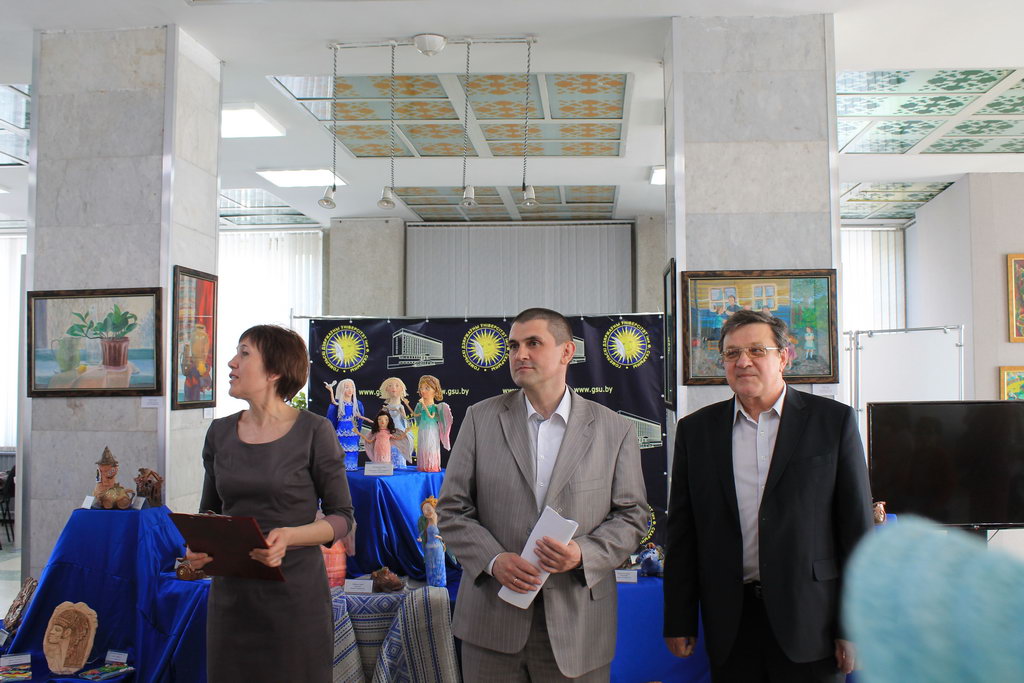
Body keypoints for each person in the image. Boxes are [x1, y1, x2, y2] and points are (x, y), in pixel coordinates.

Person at [438, 307, 648, 682]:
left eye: (533, 343)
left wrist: (583, 553)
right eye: (513, 345)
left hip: (578, 627)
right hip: (491, 623)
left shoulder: (614, 430)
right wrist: (493, 560)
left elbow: (633, 516)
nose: (520, 354)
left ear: (567, 351)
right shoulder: (479, 419)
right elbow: (452, 509)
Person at [663, 309, 872, 682]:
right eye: (732, 353)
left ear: (784, 357)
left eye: (757, 350)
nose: (743, 362)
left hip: (811, 620)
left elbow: (856, 531)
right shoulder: (696, 432)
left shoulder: (833, 422)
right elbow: (683, 531)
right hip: (731, 621)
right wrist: (679, 619)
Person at [186, 324, 354, 682]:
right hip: (230, 602)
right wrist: (198, 549)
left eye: (244, 353)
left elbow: (342, 518)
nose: (231, 362)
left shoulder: (314, 431)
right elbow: (209, 513)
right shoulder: (219, 433)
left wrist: (289, 537)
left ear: (275, 371)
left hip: (294, 601)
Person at [409, 374, 452, 472]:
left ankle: (432, 466)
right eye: (421, 388)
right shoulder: (419, 405)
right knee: (422, 445)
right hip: (422, 429)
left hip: (431, 429)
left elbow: (431, 416)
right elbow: (416, 416)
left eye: (427, 388)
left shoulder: (437, 407)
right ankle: (422, 465)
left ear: (435, 390)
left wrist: (424, 405)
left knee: (430, 445)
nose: (423, 391)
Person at [325, 378, 370, 470]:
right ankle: (340, 468)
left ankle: (351, 466)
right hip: (341, 430)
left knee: (352, 449)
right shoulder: (338, 404)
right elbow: (331, 418)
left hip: (353, 430)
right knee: (341, 449)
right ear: (341, 389)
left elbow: (360, 418)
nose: (350, 390)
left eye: (352, 387)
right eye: (346, 387)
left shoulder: (357, 404)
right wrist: (331, 390)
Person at [378, 376, 415, 462]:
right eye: (390, 386)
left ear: (402, 389)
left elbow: (404, 418)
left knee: (399, 449)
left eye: (397, 385)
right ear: (386, 389)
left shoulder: (400, 407)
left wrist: (397, 410)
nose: (393, 388)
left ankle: (399, 464)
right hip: (388, 431)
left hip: (399, 430)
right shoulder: (386, 407)